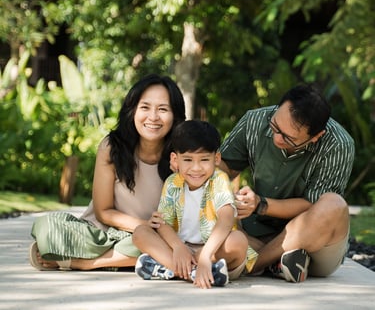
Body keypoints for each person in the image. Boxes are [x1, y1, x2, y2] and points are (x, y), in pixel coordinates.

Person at [29, 74, 186, 271]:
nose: (153, 117)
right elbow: (104, 212)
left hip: (153, 237)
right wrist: (144, 224)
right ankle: (143, 259)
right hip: (103, 234)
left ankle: (84, 263)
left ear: (175, 116)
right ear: (132, 111)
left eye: (163, 109)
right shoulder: (112, 147)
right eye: (145, 107)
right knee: (48, 226)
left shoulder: (183, 154)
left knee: (169, 242)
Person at [219, 83, 355, 283]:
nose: (276, 138)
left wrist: (260, 204)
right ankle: (279, 263)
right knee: (203, 178)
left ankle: (253, 264)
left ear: (316, 137)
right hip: (253, 232)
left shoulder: (339, 144)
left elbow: (313, 206)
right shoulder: (254, 121)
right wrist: (228, 198)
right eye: (275, 126)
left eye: (288, 138)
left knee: (334, 204)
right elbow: (221, 166)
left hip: (314, 244)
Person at [132, 120, 258, 289]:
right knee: (141, 232)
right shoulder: (172, 183)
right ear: (175, 160)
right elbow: (162, 224)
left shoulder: (219, 180)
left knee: (238, 241)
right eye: (188, 160)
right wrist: (178, 247)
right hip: (181, 250)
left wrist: (206, 255)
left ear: (217, 158)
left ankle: (172, 269)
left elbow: (226, 219)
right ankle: (197, 273)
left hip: (214, 252)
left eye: (204, 159)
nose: (196, 168)